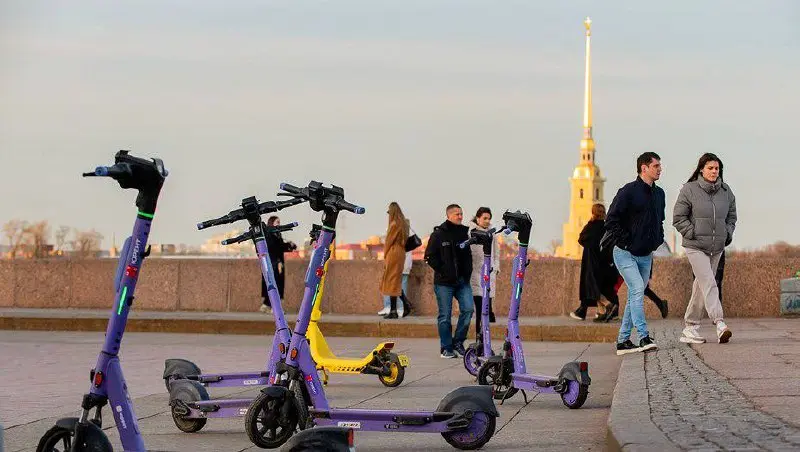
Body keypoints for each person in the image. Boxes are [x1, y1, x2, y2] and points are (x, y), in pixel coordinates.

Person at [604, 152, 666, 355]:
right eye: (655, 165)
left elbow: (660, 221)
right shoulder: (628, 192)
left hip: (646, 254)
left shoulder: (660, 194)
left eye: (659, 165)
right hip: (624, 253)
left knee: (634, 295)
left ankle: (622, 341)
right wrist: (627, 241)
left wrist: (657, 240)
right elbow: (611, 220)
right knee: (638, 289)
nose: (659, 169)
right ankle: (643, 337)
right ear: (644, 168)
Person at [673, 153, 737, 344]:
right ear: (702, 169)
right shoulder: (689, 190)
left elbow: (732, 217)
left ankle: (690, 327)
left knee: (701, 285)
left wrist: (727, 233)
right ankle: (720, 323)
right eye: (710, 168)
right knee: (709, 281)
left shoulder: (726, 191)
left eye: (717, 168)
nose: (714, 171)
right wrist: (691, 233)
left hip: (716, 246)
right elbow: (678, 218)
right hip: (695, 246)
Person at [424, 204, 474, 359]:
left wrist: (467, 274)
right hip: (444, 283)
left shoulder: (465, 233)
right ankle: (446, 348)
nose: (460, 216)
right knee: (445, 316)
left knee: (468, 309)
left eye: (461, 214)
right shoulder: (439, 234)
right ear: (449, 215)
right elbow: (429, 256)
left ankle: (458, 342)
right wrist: (443, 270)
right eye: (457, 214)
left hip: (462, 282)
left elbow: (468, 256)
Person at [570, 204, 620, 321]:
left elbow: (581, 239)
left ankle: (608, 304)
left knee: (592, 287)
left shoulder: (590, 226)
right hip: (604, 262)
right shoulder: (606, 227)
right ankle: (601, 313)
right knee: (599, 287)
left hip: (591, 262)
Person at [469, 207, 500, 337]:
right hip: (475, 274)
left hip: (489, 272)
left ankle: (484, 336)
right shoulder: (471, 232)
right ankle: (479, 336)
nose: (487, 221)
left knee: (485, 309)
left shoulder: (492, 234)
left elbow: (496, 253)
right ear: (478, 218)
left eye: (489, 218)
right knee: (480, 309)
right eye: (484, 218)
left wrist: (496, 267)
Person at [260, 216, 297, 313]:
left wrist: (290, 246)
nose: (279, 224)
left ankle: (267, 305)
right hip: (274, 263)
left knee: (275, 284)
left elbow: (280, 247)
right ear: (272, 223)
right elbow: (274, 248)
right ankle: (274, 308)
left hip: (275, 263)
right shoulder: (269, 234)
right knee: (275, 285)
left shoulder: (276, 234)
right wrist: (278, 261)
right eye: (277, 222)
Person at [379, 202, 410, 319]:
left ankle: (394, 310)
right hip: (401, 252)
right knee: (395, 281)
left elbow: (388, 242)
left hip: (393, 252)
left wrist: (385, 255)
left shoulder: (394, 224)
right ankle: (403, 306)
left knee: (391, 280)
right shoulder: (403, 224)